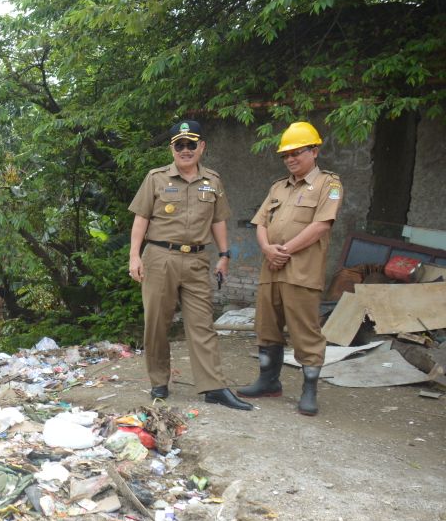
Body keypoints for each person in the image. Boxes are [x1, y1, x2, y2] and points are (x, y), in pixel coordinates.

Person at [128, 120, 253, 410]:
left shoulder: (213, 181)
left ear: (202, 147)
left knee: (202, 324)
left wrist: (224, 255)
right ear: (171, 148)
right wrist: (134, 256)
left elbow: (218, 220)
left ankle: (214, 387)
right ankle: (159, 382)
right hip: (160, 257)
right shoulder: (156, 178)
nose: (186, 150)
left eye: (191, 144)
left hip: (197, 259)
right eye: (180, 145)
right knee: (157, 323)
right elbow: (141, 218)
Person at [237, 121, 342, 415]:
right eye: (286, 155)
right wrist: (267, 249)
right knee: (266, 327)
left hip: (302, 272)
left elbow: (321, 225)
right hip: (271, 269)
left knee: (305, 332)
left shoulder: (328, 184)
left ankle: (309, 391)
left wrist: (284, 251)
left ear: (314, 151)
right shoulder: (278, 187)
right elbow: (261, 223)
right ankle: (268, 382)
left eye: (297, 152)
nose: (290, 159)